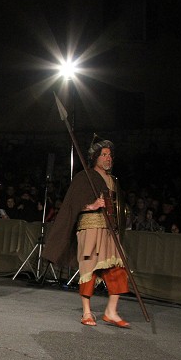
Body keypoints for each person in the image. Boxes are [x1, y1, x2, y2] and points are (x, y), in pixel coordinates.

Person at [42, 137, 130, 328]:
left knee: (118, 267)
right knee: (89, 268)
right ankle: (87, 312)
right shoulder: (85, 177)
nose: (108, 158)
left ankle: (111, 312)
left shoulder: (113, 180)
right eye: (104, 155)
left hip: (110, 229)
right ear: (95, 157)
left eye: (110, 155)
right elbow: (73, 203)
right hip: (90, 227)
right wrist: (91, 205)